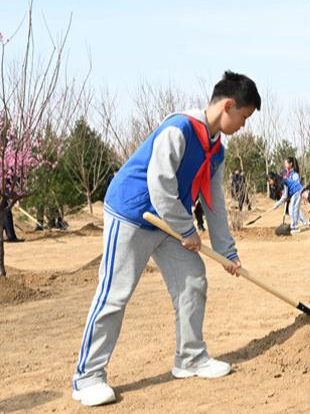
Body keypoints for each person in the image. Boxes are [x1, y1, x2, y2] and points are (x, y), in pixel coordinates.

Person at [71, 71, 259, 407]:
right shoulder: (179, 129)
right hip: (132, 213)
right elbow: (159, 185)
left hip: (169, 221)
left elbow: (213, 205)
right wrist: (187, 231)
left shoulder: (216, 150)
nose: (243, 125)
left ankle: (190, 358)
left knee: (192, 280)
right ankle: (87, 377)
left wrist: (227, 252)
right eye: (243, 117)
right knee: (114, 295)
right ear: (229, 105)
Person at [273, 157, 307, 233]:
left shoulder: (294, 174)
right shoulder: (287, 174)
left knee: (293, 209)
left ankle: (295, 226)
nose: (285, 165)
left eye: (286, 163)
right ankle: (301, 224)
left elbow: (294, 185)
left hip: (296, 191)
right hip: (292, 193)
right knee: (293, 209)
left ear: (291, 164)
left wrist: (278, 204)